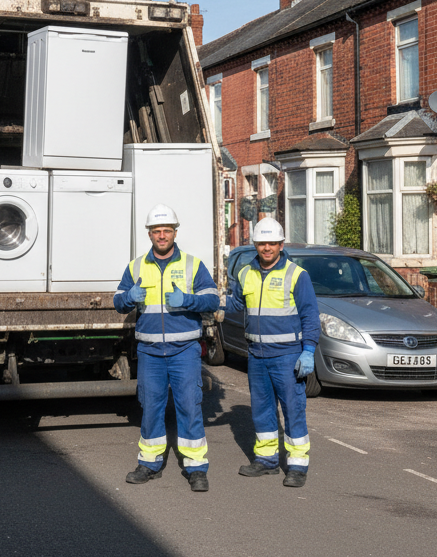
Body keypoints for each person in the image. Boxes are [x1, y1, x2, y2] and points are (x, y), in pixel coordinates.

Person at [113, 204, 221, 492]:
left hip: (184, 349)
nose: (162, 236)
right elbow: (118, 301)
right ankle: (149, 463)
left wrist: (188, 300)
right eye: (157, 231)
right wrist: (128, 297)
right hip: (149, 351)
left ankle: (196, 468)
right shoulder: (136, 266)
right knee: (150, 407)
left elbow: (212, 300)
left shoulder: (193, 265)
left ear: (175, 232)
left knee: (189, 406)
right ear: (149, 234)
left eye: (167, 231)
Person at [226, 217, 321, 487]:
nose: (266, 248)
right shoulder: (245, 273)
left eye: (272, 243)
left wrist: (308, 351)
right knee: (262, 410)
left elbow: (310, 317)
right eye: (262, 243)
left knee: (293, 409)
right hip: (256, 355)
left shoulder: (296, 275)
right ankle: (267, 461)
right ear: (255, 245)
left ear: (281, 245)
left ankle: (297, 466)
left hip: (287, 356)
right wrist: (205, 302)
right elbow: (234, 305)